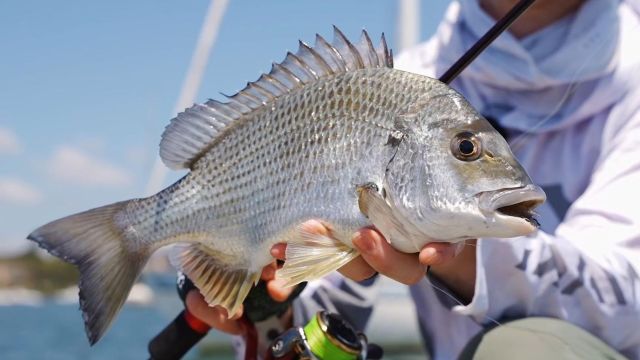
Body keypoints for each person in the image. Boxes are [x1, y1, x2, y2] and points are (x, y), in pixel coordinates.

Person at [186, 0, 640, 358]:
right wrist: (266, 306)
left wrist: (461, 257)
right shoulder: (400, 77)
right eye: (466, 150)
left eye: (467, 149)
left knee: (520, 351)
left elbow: (629, 299)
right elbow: (323, 307)